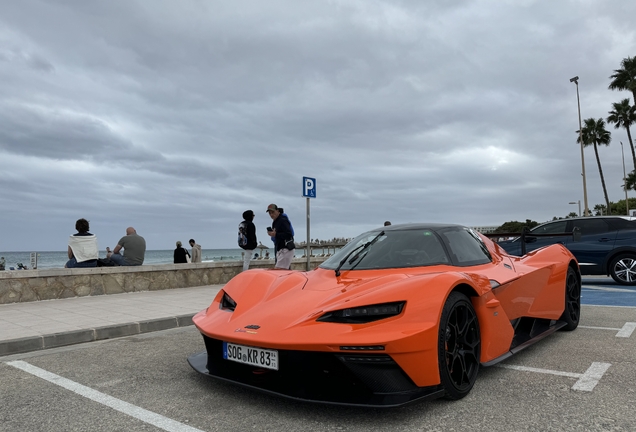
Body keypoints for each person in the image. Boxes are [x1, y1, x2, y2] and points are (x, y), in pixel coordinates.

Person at [266, 204, 295, 269]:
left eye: (273, 212)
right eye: (270, 213)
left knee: (279, 271)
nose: (271, 215)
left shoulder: (283, 220)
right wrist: (272, 234)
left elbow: (289, 234)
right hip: (280, 249)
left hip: (286, 248)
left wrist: (276, 234)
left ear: (278, 211)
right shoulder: (275, 222)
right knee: (282, 271)